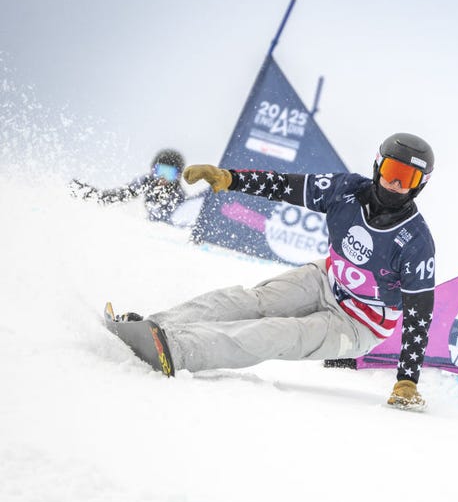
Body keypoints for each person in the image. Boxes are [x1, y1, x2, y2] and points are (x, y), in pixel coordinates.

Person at [108, 133, 436, 409]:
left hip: (358, 324)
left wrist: (407, 380)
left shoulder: (416, 242)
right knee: (250, 302)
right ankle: (155, 327)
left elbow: (419, 315)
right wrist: (231, 178)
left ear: (418, 186)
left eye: (407, 179)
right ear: (378, 165)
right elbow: (284, 185)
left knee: (275, 333)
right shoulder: (346, 190)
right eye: (392, 170)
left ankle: (176, 350)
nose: (395, 183)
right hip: (325, 279)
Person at [70, 149, 186, 223]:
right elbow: (118, 196)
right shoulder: (147, 182)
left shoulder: (178, 196)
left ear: (178, 175)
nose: (163, 177)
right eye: (160, 171)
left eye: (169, 173)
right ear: (153, 170)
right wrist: (89, 194)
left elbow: (177, 222)